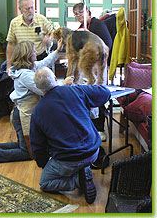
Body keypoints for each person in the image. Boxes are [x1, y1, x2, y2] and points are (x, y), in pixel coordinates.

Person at [30, 66, 111, 204]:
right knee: (78, 161)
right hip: (93, 152)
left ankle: (78, 180)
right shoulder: (76, 90)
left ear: (39, 88)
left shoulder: (37, 112)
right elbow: (105, 92)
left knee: (45, 182)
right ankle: (83, 171)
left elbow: (37, 146)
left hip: (67, 159)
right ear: (56, 78)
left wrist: (45, 164)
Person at [0, 40, 72, 163]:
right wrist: (64, 83)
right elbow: (45, 89)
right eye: (33, 51)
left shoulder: (27, 68)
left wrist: (58, 51)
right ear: (27, 54)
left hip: (21, 111)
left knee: (24, 145)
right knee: (29, 152)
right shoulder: (26, 75)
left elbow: (44, 62)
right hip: (24, 114)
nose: (36, 52)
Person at [73, 3, 112, 142]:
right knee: (88, 97)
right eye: (76, 14)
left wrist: (98, 65)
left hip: (98, 66)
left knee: (99, 96)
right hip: (88, 67)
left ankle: (100, 129)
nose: (79, 15)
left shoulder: (97, 25)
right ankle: (90, 129)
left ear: (88, 11)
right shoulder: (81, 28)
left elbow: (107, 45)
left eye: (81, 12)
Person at [6, 0, 54, 72]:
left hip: (40, 57)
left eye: (32, 8)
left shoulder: (41, 19)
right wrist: (8, 66)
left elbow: (53, 33)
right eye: (27, 9)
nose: (31, 11)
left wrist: (49, 39)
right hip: (22, 60)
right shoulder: (14, 23)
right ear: (20, 9)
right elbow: (11, 44)